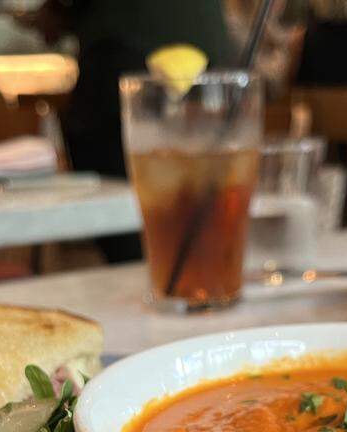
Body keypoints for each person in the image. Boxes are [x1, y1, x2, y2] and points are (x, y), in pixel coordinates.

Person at [32, 0, 233, 261]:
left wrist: (54, 13)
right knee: (188, 222)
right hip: (210, 60)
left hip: (127, 55)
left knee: (136, 227)